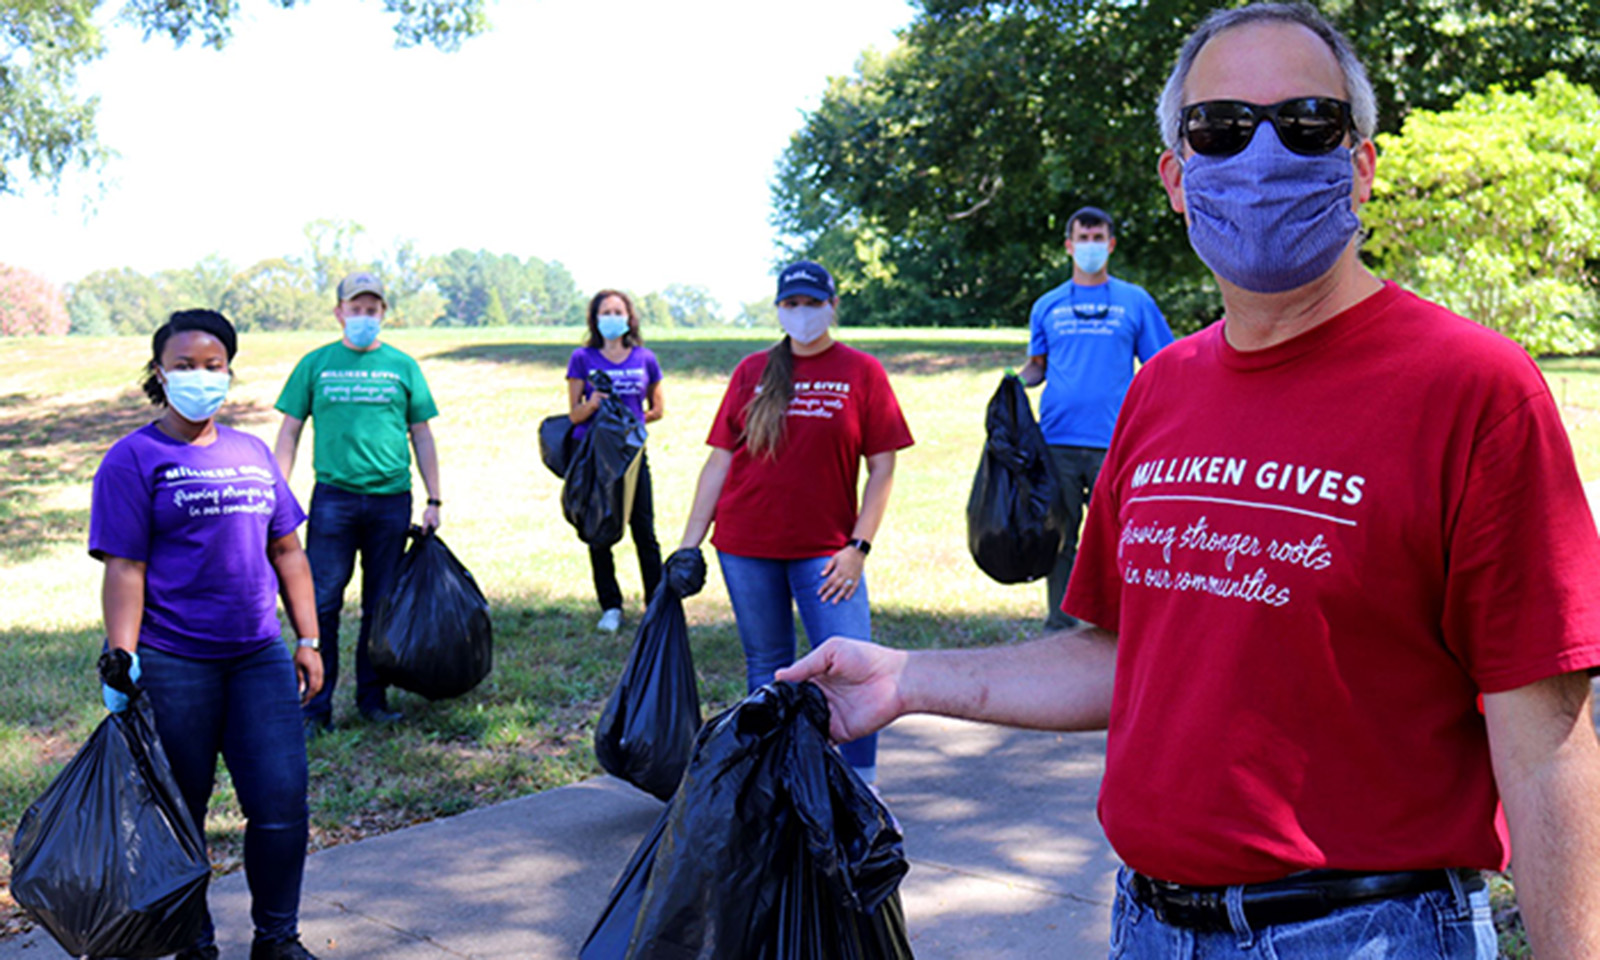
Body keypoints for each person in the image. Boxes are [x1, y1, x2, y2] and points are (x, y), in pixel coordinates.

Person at [780, 5, 1600, 957]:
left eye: (1306, 125)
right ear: (1177, 178)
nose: (1261, 157)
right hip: (1149, 925)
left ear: (1361, 166)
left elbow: (1547, 744)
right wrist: (909, 677)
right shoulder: (1163, 389)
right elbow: (1119, 655)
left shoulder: (1474, 388)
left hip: (1372, 932)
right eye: (1218, 129)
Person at [89, 310, 325, 960]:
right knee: (179, 814)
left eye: (213, 364)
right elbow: (126, 567)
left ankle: (277, 940)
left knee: (281, 806)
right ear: (159, 373)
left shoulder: (250, 453)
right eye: (185, 365)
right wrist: (123, 656)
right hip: (174, 664)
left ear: (229, 370)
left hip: (258, 660)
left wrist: (307, 638)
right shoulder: (133, 458)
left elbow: (288, 551)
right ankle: (194, 945)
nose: (200, 376)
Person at [680, 260, 913, 784]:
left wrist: (859, 546)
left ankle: (861, 790)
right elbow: (719, 460)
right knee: (768, 669)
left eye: (813, 303)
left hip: (828, 553)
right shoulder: (751, 372)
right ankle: (773, 785)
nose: (803, 314)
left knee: (855, 672)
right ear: (779, 309)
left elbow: (882, 468)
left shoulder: (861, 372)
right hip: (745, 544)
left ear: (833, 306)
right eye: (792, 304)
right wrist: (688, 545)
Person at [274, 271, 442, 733]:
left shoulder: (402, 366)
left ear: (383, 314)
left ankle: (373, 697)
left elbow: (422, 434)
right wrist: (276, 490)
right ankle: (315, 705)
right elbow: (290, 430)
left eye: (372, 309)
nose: (364, 316)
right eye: (356, 308)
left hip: (391, 501)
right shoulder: (316, 364)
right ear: (339, 312)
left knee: (380, 602)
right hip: (333, 501)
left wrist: (434, 498)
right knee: (322, 603)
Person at [1018, 206, 1174, 629]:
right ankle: (1060, 625)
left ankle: (1119, 627)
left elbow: (1162, 364)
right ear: (1069, 246)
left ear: (1111, 244)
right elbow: (1037, 366)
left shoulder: (1134, 302)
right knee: (1061, 538)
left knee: (1122, 541)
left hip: (1117, 443)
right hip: (1057, 440)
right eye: (1083, 239)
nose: (1091, 246)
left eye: (1098, 237)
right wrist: (1012, 386)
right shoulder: (1048, 305)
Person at [566, 290, 665, 633]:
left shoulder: (645, 359)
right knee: (599, 531)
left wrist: (629, 426)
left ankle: (656, 604)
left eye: (617, 311)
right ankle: (610, 606)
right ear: (594, 319)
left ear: (629, 317)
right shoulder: (582, 358)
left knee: (645, 531)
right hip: (595, 458)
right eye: (605, 311)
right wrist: (593, 405)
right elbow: (574, 415)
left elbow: (657, 409)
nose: (612, 316)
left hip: (633, 457)